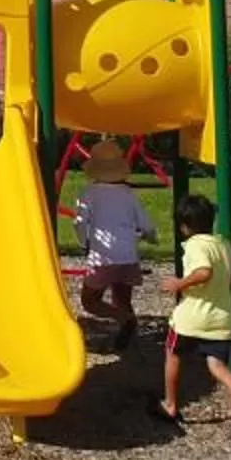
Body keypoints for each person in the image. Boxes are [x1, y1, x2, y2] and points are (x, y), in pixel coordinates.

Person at [157, 193, 231, 440]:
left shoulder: (196, 245)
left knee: (173, 354)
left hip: (192, 318)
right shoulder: (223, 244)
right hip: (221, 318)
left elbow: (204, 272)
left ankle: (170, 405)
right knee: (216, 364)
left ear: (184, 226)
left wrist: (180, 283)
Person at [69, 143, 151, 348]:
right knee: (122, 298)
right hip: (128, 256)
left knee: (90, 301)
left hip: (103, 256)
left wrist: (84, 241)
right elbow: (145, 223)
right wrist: (151, 235)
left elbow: (79, 223)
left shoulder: (89, 193)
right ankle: (126, 335)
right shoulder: (128, 194)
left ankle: (125, 320)